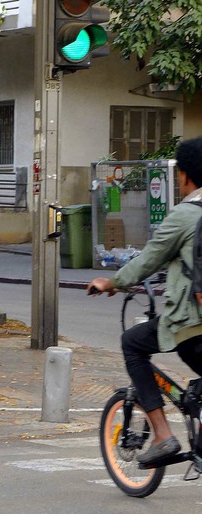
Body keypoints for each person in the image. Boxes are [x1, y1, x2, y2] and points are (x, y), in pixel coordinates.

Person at [88, 136, 202, 466]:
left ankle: (163, 435)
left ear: (184, 175)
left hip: (193, 325)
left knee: (133, 343)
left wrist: (111, 281)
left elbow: (149, 259)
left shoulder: (186, 214)